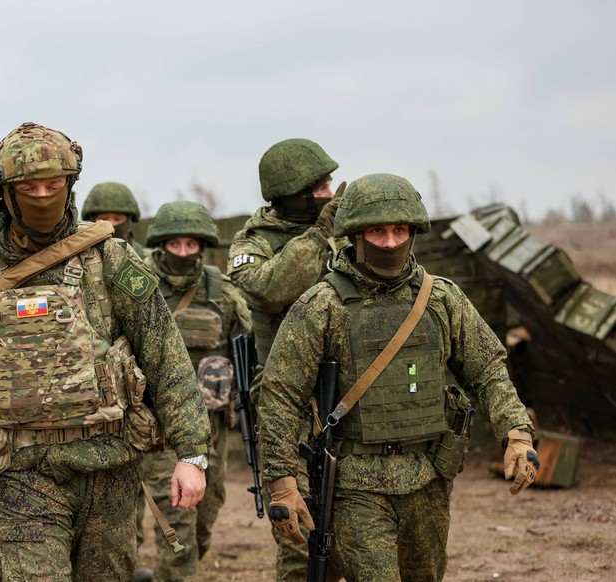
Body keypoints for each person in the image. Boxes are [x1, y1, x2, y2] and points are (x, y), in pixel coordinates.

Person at [0, 122, 210, 581]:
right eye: (27, 187)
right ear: (5, 191)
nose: (42, 195)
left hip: (110, 469)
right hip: (21, 472)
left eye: (54, 184)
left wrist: (192, 452)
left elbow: (165, 356)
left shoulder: (110, 259)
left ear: (71, 183)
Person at [257, 173, 540, 581]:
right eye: (377, 231)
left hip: (428, 476)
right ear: (354, 234)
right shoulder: (323, 306)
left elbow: (488, 369)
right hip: (355, 486)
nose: (390, 242)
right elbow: (281, 396)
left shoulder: (442, 298)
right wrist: (282, 480)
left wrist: (516, 431)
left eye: (399, 230)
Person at [226, 138, 342, 581]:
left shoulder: (343, 233)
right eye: (323, 185)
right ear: (298, 191)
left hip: (350, 397)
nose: (332, 192)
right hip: (287, 406)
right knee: (303, 536)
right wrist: (319, 236)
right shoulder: (254, 241)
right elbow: (268, 289)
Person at [138, 201, 252, 580]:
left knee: (205, 517)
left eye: (191, 245)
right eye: (176, 245)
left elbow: (247, 348)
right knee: (179, 524)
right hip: (157, 430)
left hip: (210, 429)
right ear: (161, 245)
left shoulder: (223, 292)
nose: (184, 253)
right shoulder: (139, 286)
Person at [80, 181, 144, 256]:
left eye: (117, 219)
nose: (111, 224)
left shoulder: (147, 260)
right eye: (104, 219)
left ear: (128, 221)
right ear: (92, 220)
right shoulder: (78, 260)